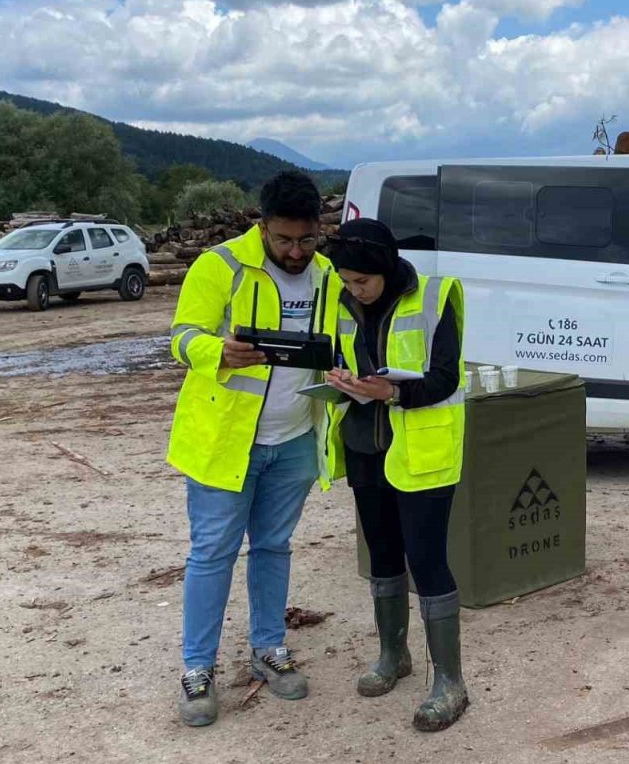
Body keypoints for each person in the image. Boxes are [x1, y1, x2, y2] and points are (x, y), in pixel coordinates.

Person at [167, 171, 340, 727]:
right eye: (284, 239)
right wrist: (217, 350)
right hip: (225, 443)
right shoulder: (221, 266)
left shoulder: (327, 275)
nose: (295, 251)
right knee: (212, 553)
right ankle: (198, 670)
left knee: (274, 546)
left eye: (306, 240)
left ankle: (269, 648)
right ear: (261, 225)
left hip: (293, 441)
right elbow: (180, 336)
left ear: (318, 230)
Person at [323, 218, 469, 732]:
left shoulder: (435, 297)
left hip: (421, 453)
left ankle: (449, 682)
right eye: (346, 280)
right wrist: (339, 379)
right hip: (365, 447)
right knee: (382, 557)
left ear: (384, 268)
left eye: (360, 281)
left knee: (427, 562)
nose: (352, 289)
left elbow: (448, 378)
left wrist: (395, 393)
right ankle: (394, 656)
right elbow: (341, 357)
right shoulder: (342, 302)